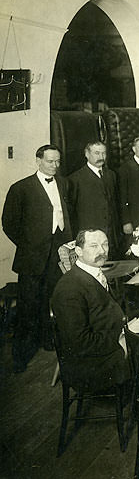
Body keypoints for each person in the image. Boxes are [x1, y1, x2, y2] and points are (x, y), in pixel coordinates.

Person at [2, 144, 73, 372]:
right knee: (28, 306)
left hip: (58, 251)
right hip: (32, 256)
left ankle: (48, 340)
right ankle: (21, 356)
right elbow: (9, 223)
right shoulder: (21, 188)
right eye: (50, 161)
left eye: (58, 161)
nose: (55, 166)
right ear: (38, 161)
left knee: (53, 299)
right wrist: (29, 245)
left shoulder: (63, 183)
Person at [50, 229, 129, 387]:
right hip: (90, 365)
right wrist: (119, 341)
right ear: (78, 251)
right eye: (94, 246)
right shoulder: (69, 288)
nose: (102, 251)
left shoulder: (92, 272)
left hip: (104, 346)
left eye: (105, 244)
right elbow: (80, 343)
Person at [67, 141, 121, 259]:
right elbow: (71, 212)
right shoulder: (75, 179)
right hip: (90, 238)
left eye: (103, 153)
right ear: (87, 154)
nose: (101, 157)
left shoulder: (111, 175)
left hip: (111, 236)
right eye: (97, 153)